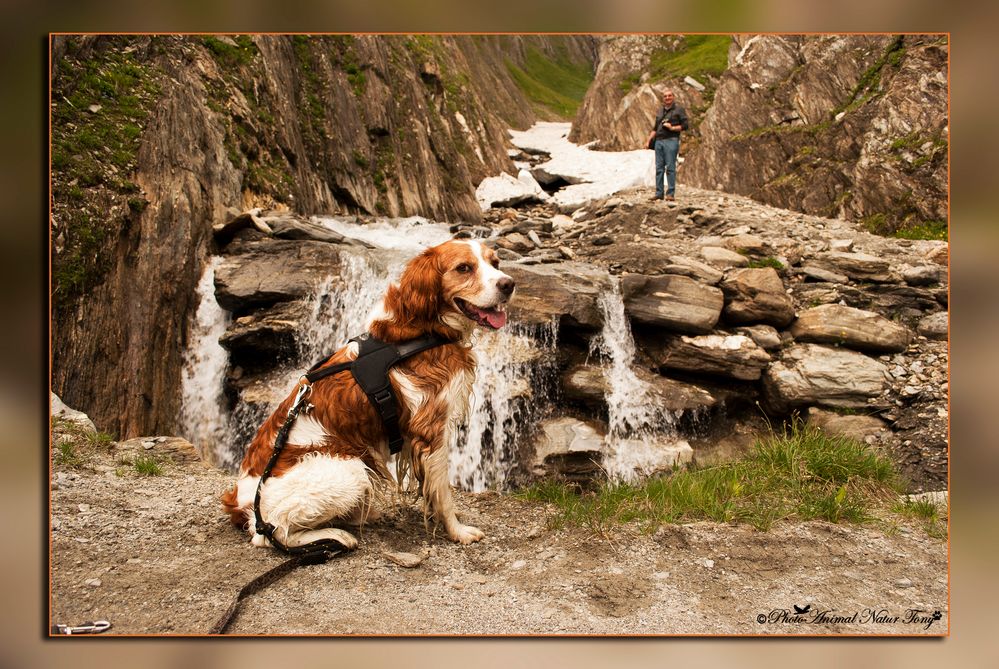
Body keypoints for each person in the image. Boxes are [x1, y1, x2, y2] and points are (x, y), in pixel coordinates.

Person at [645, 89, 689, 202]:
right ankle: (659, 193)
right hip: (659, 141)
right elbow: (655, 128)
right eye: (665, 96)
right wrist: (648, 141)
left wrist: (672, 128)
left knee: (670, 167)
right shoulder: (660, 111)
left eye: (669, 96)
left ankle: (670, 194)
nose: (667, 98)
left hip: (671, 140)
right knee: (659, 168)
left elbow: (685, 126)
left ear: (673, 97)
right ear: (663, 99)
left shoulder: (679, 110)